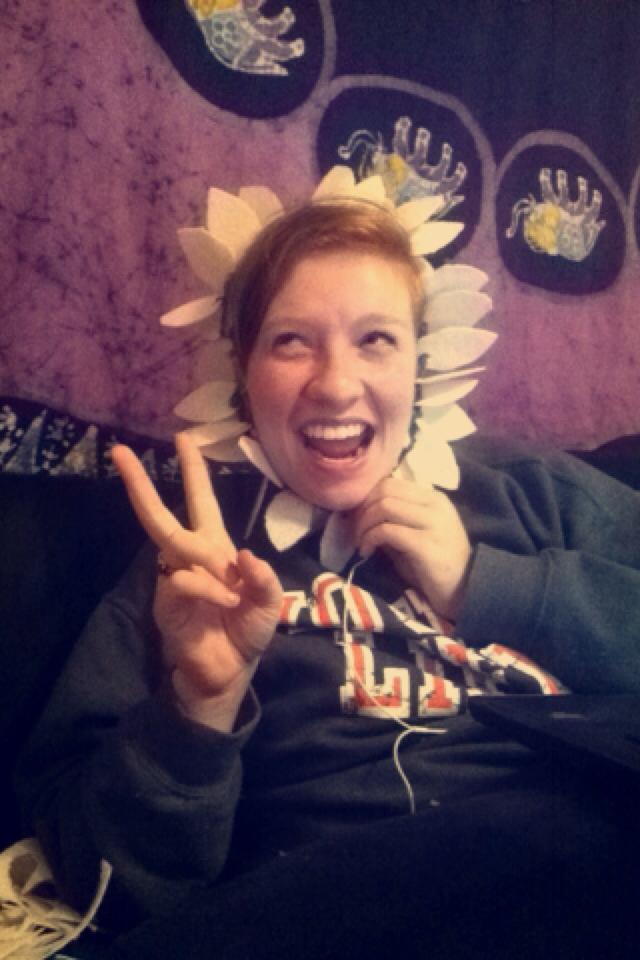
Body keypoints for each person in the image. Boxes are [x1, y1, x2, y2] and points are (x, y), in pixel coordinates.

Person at [14, 176, 640, 959]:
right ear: (243, 374)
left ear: (420, 362)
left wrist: (491, 584)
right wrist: (197, 708)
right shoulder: (191, 568)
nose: (337, 384)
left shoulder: (530, 491)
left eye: (376, 339)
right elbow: (101, 882)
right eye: (291, 341)